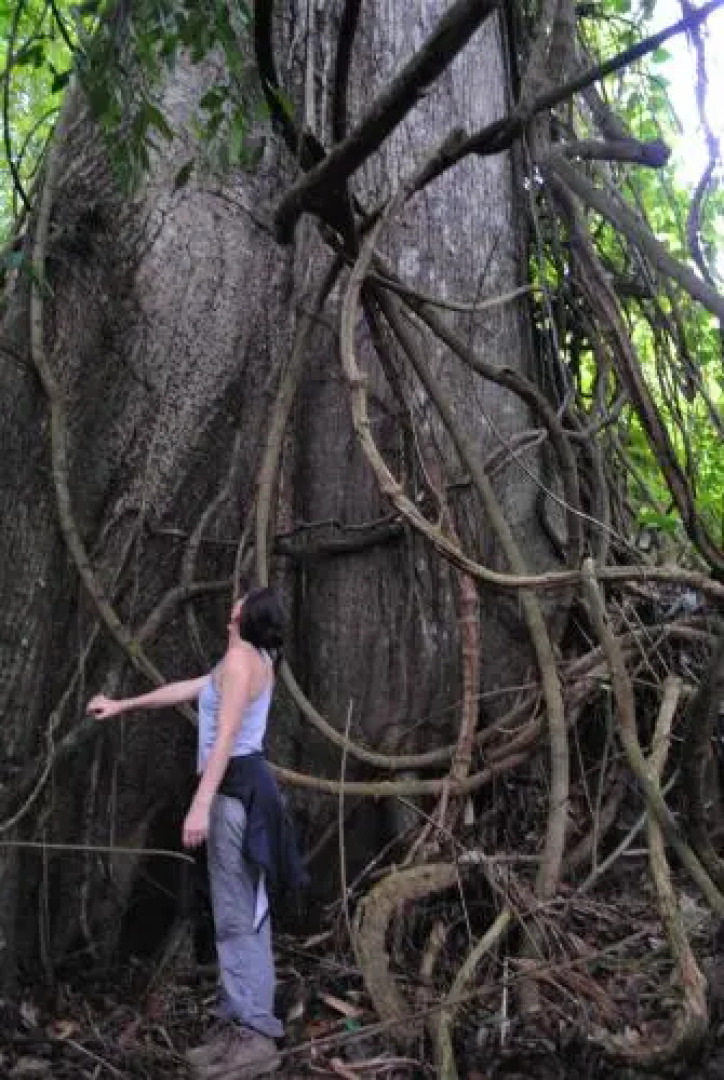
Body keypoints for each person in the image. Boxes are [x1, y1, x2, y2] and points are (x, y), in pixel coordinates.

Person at [87, 587, 305, 1079]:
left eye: (238, 609)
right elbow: (191, 688)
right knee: (236, 912)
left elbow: (225, 736)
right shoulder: (245, 657)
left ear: (248, 619)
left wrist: (201, 805)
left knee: (239, 916)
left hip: (234, 794)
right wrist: (124, 704)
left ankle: (255, 1038)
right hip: (241, 790)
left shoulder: (243, 662)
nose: (230, 613)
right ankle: (236, 1026)